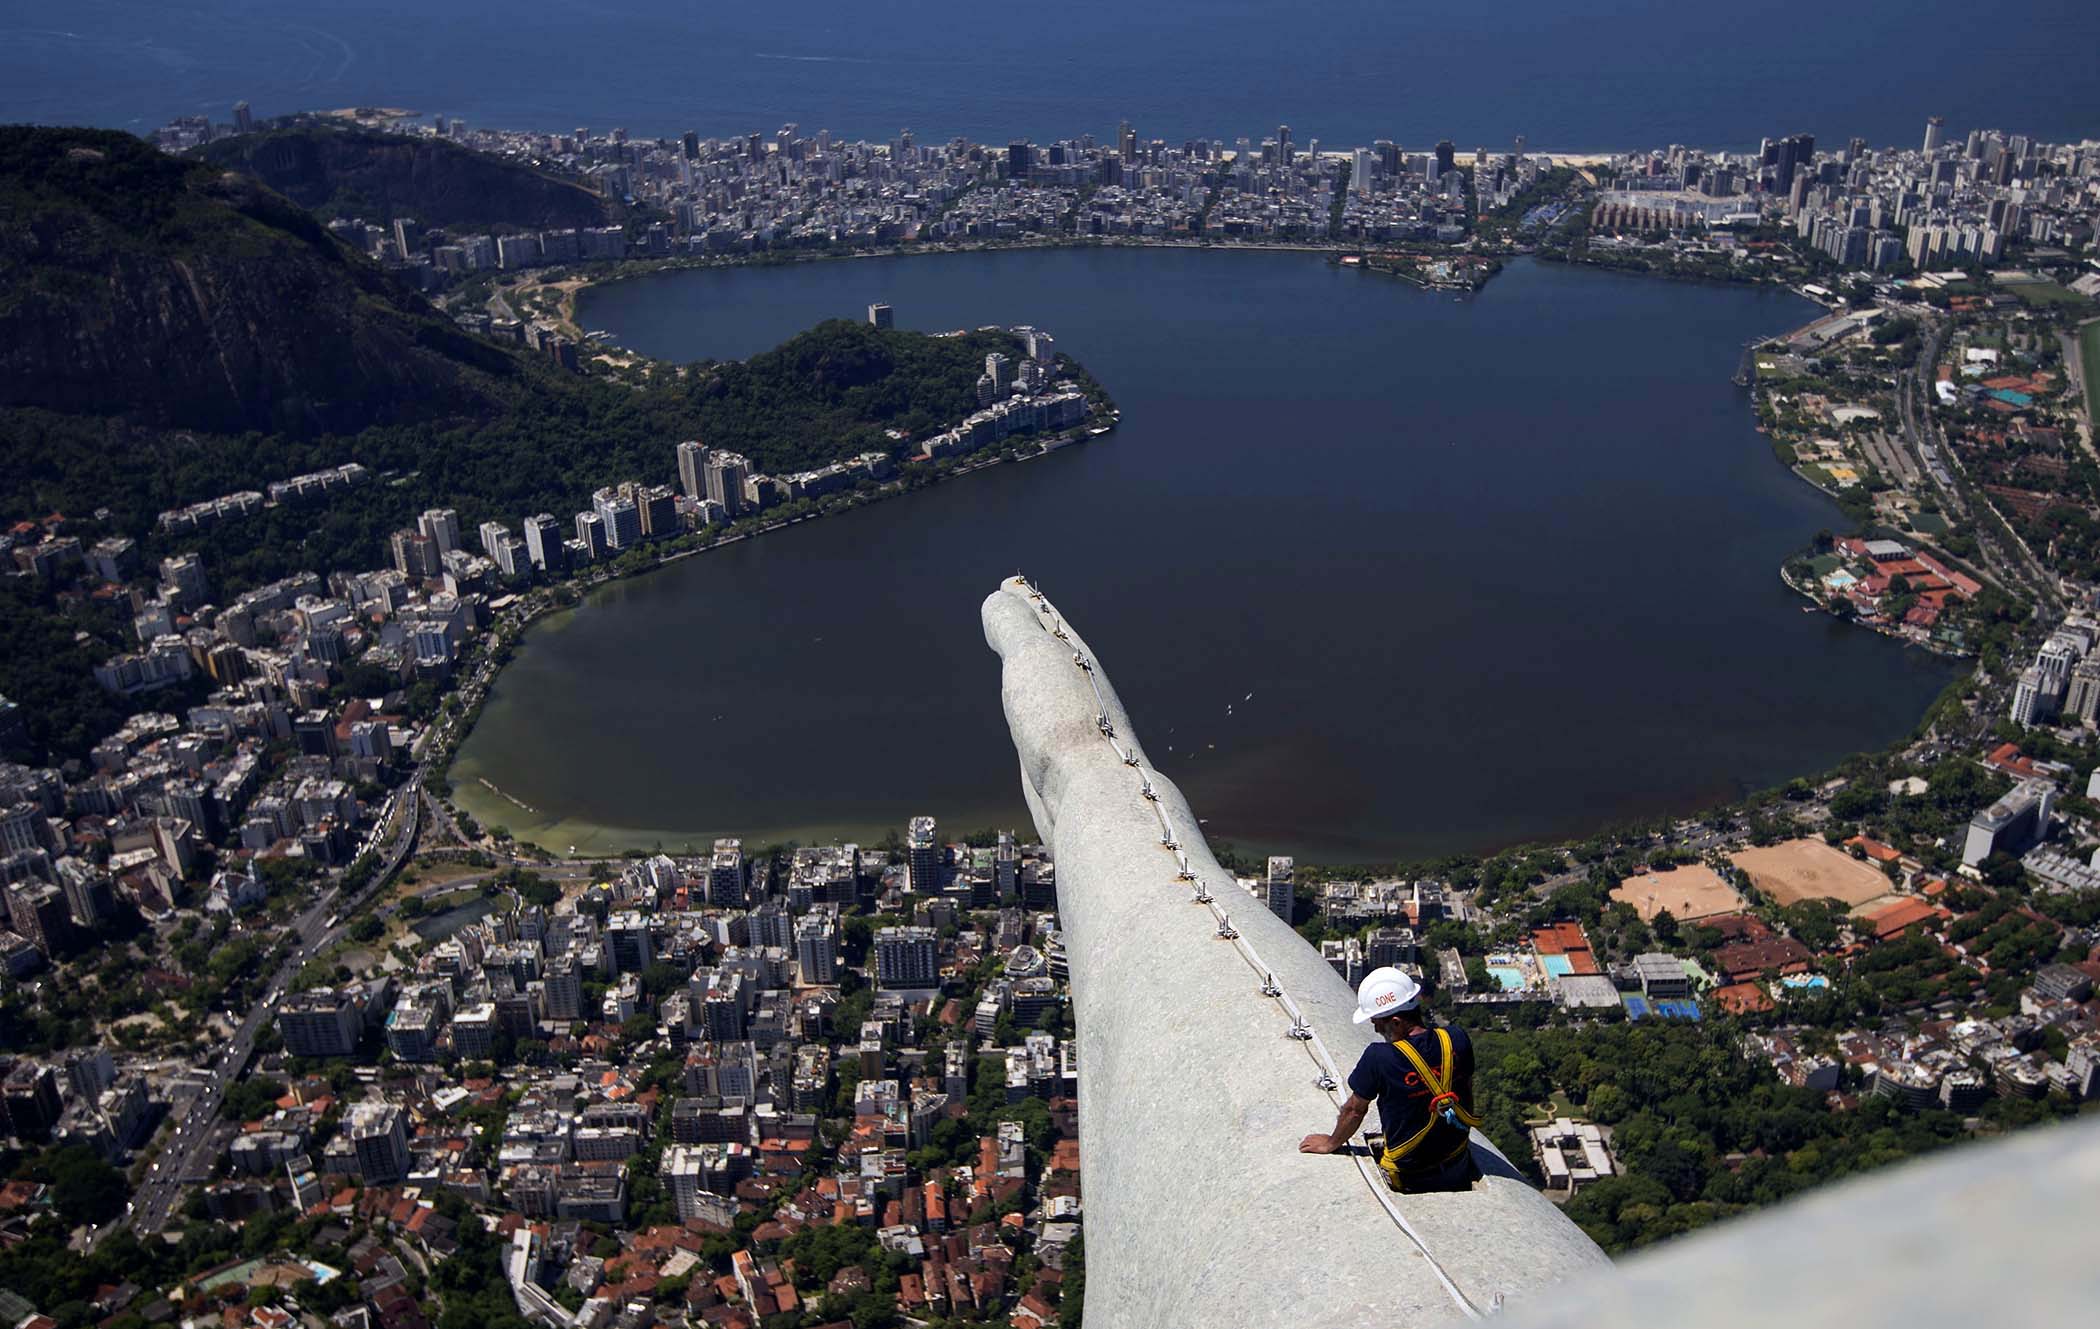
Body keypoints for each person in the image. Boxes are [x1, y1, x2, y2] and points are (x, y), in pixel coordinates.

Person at [1297, 966, 1482, 1193]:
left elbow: (1354, 1111)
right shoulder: (1456, 1038)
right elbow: (1466, 1091)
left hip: (1410, 1174)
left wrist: (1330, 1144)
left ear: (1396, 1022)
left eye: (1378, 1021)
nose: (1375, 1028)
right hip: (1456, 1161)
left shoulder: (1379, 1057)